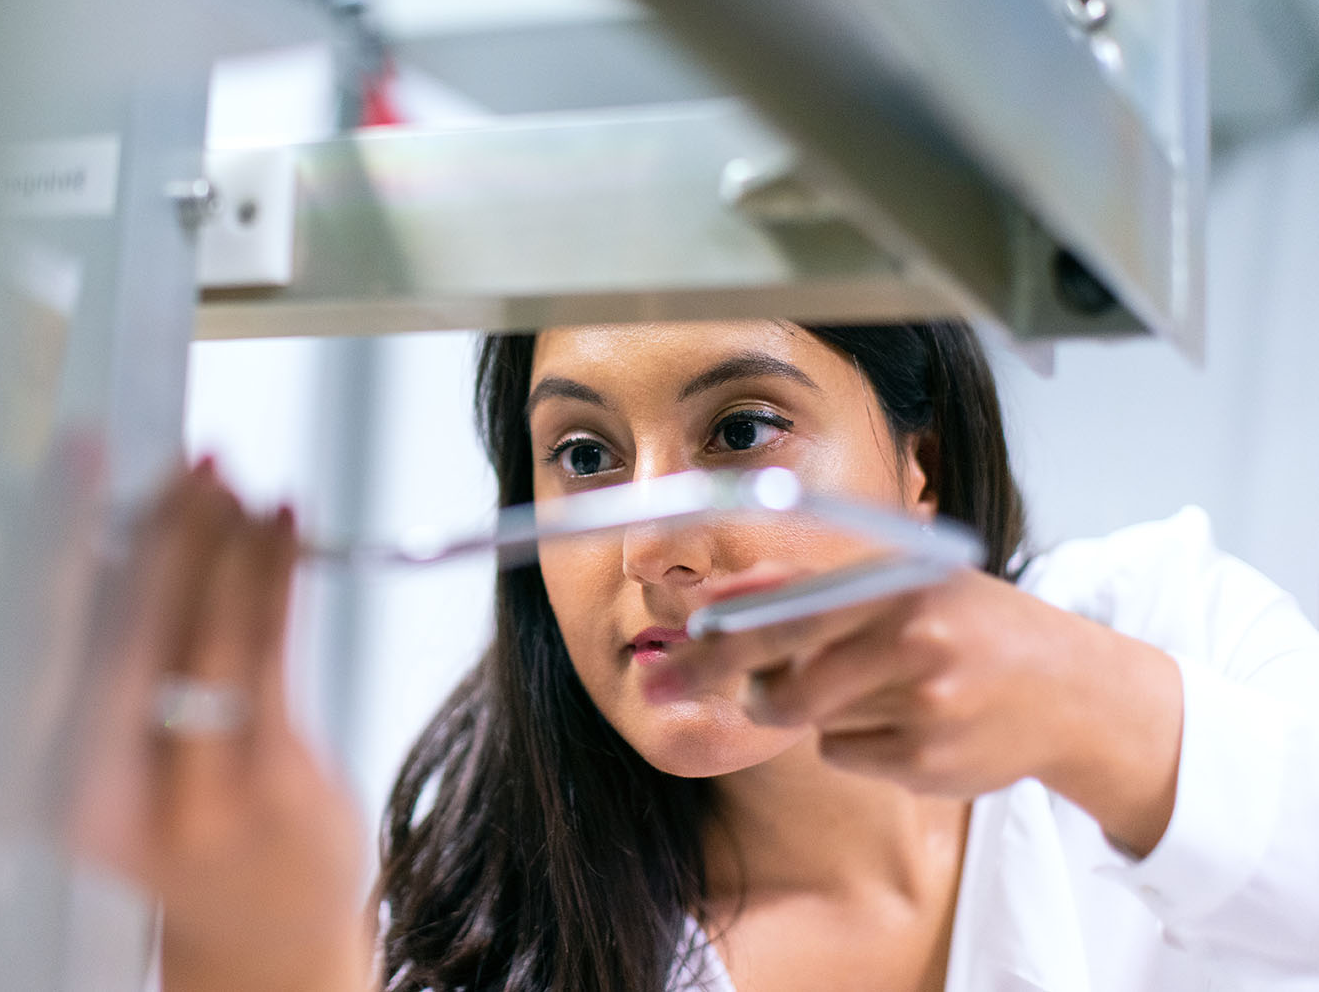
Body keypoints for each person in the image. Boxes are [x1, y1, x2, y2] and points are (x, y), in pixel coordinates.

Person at [66, 320, 1319, 992]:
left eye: (739, 427)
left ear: (916, 466)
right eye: (585, 456)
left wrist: (1093, 713)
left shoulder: (1159, 629)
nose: (650, 543)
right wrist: (258, 949)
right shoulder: (476, 940)